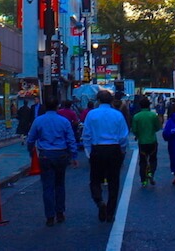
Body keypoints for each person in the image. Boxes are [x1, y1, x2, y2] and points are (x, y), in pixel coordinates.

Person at [26, 97, 78, 226]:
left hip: (45, 155)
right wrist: (74, 156)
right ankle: (60, 212)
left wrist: (30, 150)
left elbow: (30, 139)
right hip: (61, 154)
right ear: (57, 107)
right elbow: (71, 139)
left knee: (47, 186)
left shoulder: (38, 120)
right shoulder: (64, 121)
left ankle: (49, 216)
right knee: (60, 184)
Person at [82, 89, 128, 222]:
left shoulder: (91, 114)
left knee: (95, 179)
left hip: (97, 149)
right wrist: (122, 150)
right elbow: (123, 136)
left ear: (98, 100)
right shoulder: (117, 115)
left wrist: (89, 152)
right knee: (114, 181)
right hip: (114, 148)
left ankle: (99, 201)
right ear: (111, 100)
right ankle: (110, 212)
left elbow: (86, 135)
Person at [130, 97, 161, 187]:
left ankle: (143, 180)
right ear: (149, 105)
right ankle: (151, 172)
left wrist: (138, 135)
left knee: (142, 161)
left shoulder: (136, 116)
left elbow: (134, 130)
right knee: (153, 159)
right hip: (152, 140)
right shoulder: (153, 115)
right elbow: (158, 127)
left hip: (142, 142)